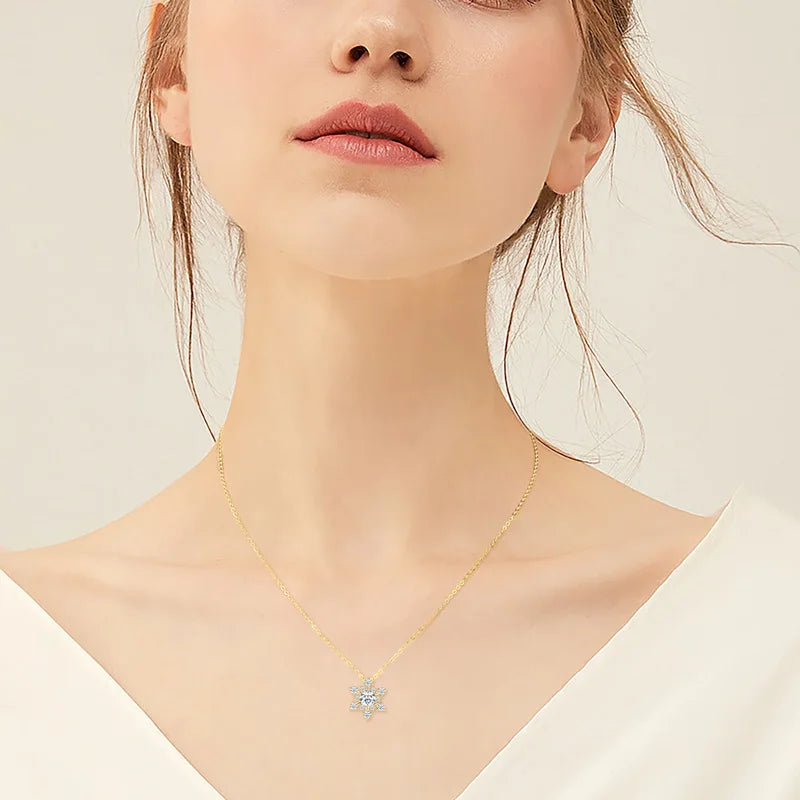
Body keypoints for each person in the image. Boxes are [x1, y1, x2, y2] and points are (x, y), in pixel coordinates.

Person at [2, 0, 799, 798]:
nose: (379, 30)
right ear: (173, 70)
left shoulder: (767, 646)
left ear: (586, 123)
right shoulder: (23, 672)